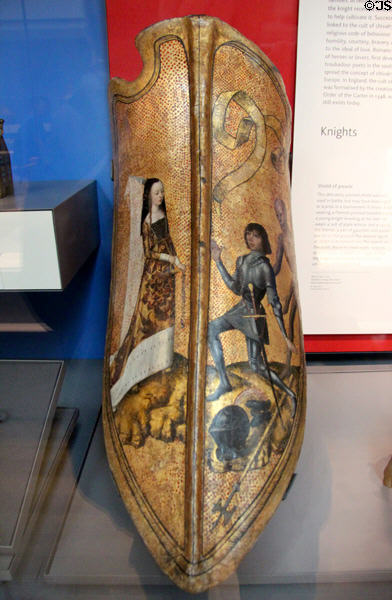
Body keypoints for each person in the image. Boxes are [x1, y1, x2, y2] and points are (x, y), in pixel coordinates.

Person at [207, 222, 296, 415]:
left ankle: (289, 393)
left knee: (257, 366)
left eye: (255, 235)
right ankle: (223, 382)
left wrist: (285, 337)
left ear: (263, 239)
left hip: (254, 316)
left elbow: (275, 303)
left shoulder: (265, 267)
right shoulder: (241, 260)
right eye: (248, 234)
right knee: (211, 328)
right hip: (240, 310)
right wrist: (218, 261)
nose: (250, 238)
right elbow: (235, 288)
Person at [111, 178, 185, 386]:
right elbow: (149, 252)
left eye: (162, 192)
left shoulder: (165, 216)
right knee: (150, 318)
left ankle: (163, 362)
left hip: (168, 273)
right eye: (156, 193)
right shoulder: (147, 221)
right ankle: (145, 366)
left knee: (167, 315)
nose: (160, 196)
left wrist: (177, 260)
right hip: (154, 276)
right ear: (149, 197)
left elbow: (169, 242)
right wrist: (170, 259)